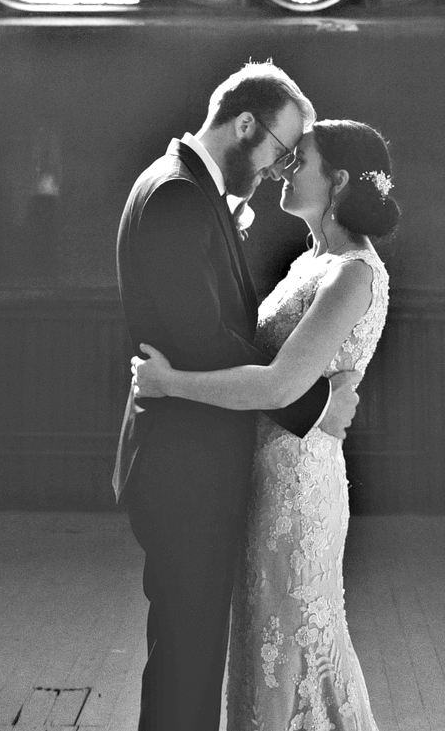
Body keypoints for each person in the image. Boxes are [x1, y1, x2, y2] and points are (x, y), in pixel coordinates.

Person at [112, 64, 363, 731]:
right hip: (183, 466)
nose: (282, 167)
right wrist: (312, 403)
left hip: (188, 459)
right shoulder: (177, 195)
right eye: (280, 150)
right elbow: (203, 339)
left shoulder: (187, 188)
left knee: (188, 661)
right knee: (185, 668)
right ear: (244, 123)